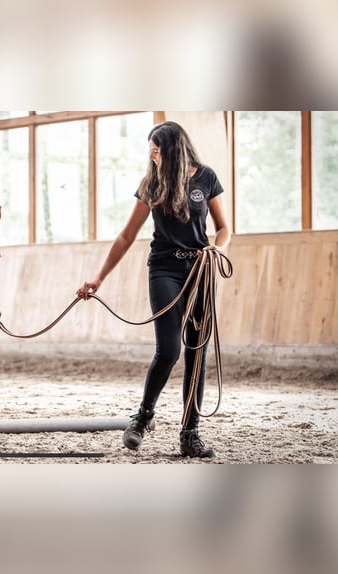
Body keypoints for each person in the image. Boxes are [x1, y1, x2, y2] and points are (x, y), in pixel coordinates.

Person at [76, 120, 231, 459]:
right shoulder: (151, 184)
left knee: (197, 351)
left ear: (173, 150)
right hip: (165, 269)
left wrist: (217, 249)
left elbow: (223, 228)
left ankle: (190, 432)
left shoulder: (205, 177)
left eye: (156, 150)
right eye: (151, 150)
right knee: (169, 349)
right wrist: (98, 278)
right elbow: (126, 236)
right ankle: (144, 416)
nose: (151, 155)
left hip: (201, 268)